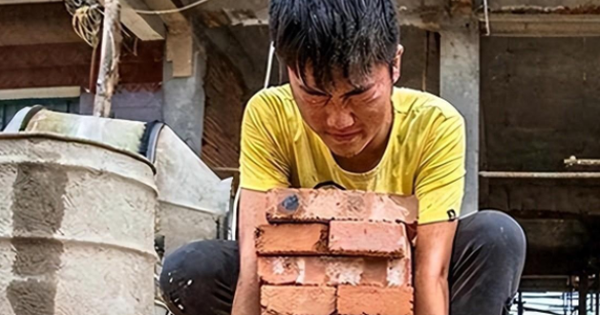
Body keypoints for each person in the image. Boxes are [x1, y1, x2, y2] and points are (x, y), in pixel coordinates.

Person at [159, 0, 526, 314]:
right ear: (289, 71)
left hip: (402, 284)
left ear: (394, 65)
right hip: (299, 280)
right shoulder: (269, 114)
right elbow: (255, 263)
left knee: (495, 236)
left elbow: (433, 273)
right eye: (315, 95)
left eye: (359, 95)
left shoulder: (435, 124)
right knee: (192, 270)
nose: (338, 121)